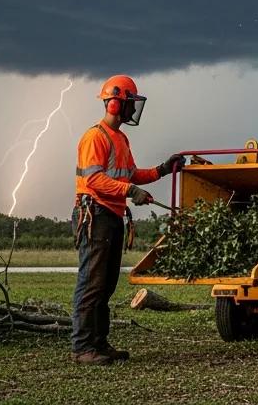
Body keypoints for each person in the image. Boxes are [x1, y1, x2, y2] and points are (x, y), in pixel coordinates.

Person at [71, 74, 185, 365]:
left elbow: (131, 174)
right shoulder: (94, 137)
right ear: (114, 104)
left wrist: (162, 170)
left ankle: (99, 343)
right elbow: (94, 179)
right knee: (92, 283)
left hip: (112, 215)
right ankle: (83, 347)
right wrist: (130, 191)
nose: (133, 110)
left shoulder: (120, 138)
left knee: (106, 284)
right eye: (129, 104)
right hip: (94, 214)